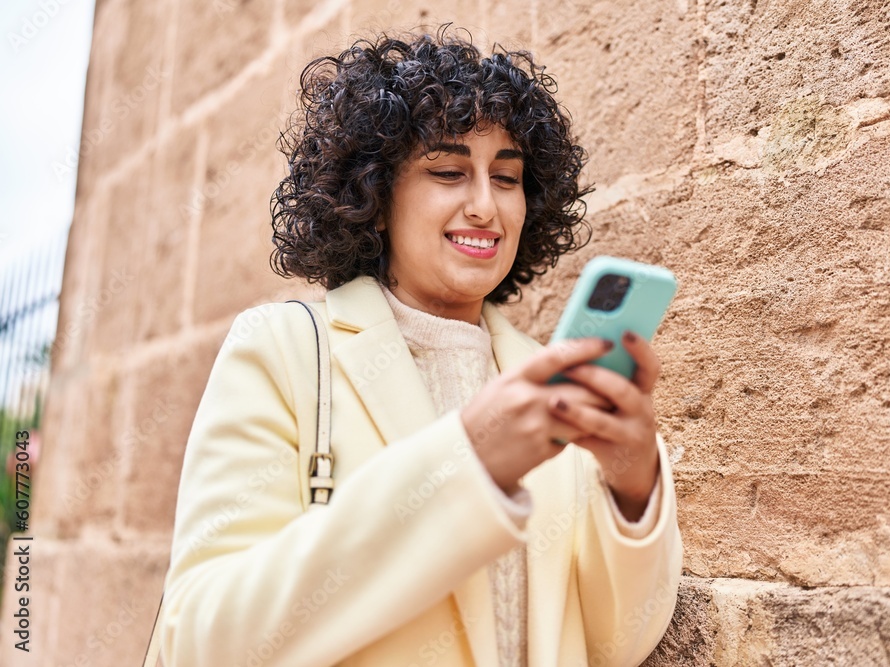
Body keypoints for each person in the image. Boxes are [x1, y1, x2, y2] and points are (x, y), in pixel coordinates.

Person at [161, 27, 682, 667]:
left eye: (509, 178)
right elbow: (203, 641)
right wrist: (471, 462)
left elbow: (616, 644)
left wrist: (634, 490)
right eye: (447, 171)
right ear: (375, 198)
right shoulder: (282, 352)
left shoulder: (542, 381)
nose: (486, 206)